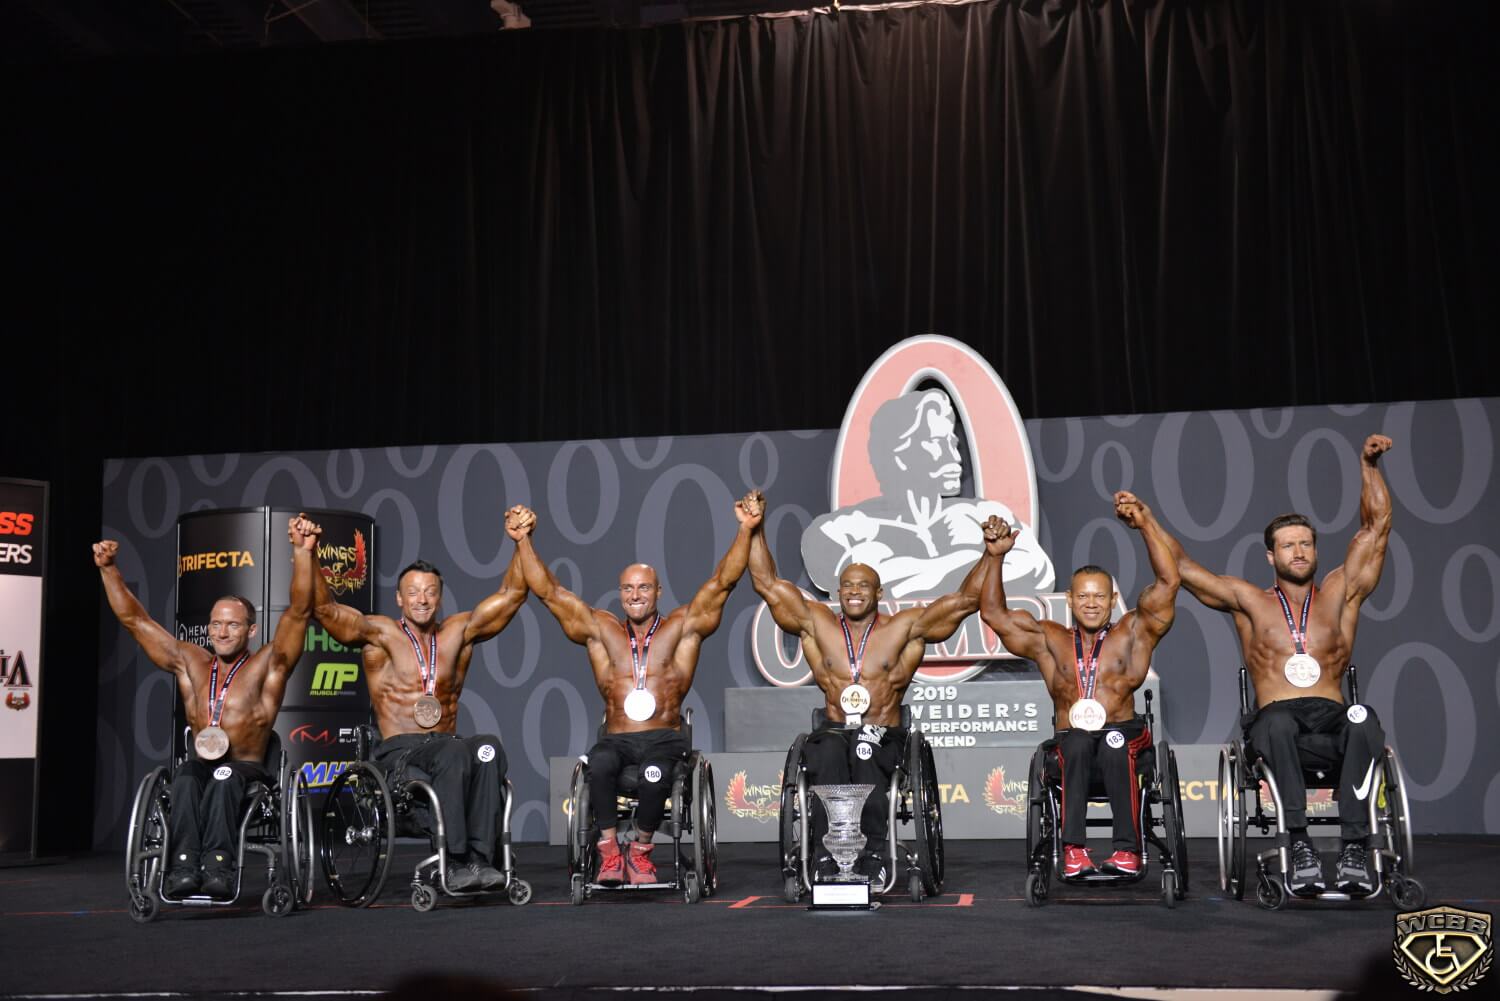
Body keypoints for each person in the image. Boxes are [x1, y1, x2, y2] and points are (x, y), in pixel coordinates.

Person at [1163, 433, 1395, 895]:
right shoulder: (1249, 601)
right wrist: (1147, 521)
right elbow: (1183, 568)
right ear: (1271, 555)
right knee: (1280, 722)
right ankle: (1299, 844)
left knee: (1364, 718)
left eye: (1306, 543)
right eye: (1288, 545)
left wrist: (1369, 467)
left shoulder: (1342, 593)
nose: (1299, 552)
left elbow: (1377, 529)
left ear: (1316, 550)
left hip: (1332, 720)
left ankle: (1354, 848)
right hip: (1276, 720)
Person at [751, 491, 998, 883]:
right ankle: (826, 856)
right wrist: (754, 528)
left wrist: (991, 555)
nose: (854, 591)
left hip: (884, 732)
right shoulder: (817, 624)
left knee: (864, 747)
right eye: (848, 585)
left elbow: (965, 601)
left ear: (879, 593)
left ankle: (872, 855)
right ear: (837, 591)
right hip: (834, 727)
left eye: (864, 585)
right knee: (828, 750)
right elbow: (766, 583)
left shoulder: (904, 628)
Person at [513, 494, 759, 886]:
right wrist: (523, 540)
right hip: (617, 737)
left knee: (654, 773)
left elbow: (722, 583)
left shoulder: (681, 628)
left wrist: (745, 530)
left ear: (658, 591)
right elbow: (550, 593)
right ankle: (610, 851)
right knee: (599, 765)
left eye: (644, 587)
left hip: (664, 737)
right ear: (620, 593)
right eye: (627, 588)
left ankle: (641, 852)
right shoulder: (602, 630)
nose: (635, 595)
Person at [94, 514, 319, 899]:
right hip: (201, 764)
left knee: (224, 778)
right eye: (216, 625)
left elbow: (298, 611)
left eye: (232, 625)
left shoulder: (268, 665)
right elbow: (136, 621)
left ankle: (218, 867)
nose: (222, 632)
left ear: (251, 630)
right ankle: (182, 867)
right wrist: (109, 569)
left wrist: (301, 552)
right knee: (183, 777)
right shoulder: (191, 663)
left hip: (246, 768)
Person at [310, 508, 531, 892]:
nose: (422, 600)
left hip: (446, 746)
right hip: (400, 753)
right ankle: (454, 861)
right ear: (399, 598)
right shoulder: (379, 635)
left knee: (487, 749)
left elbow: (512, 595)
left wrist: (521, 540)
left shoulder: (459, 632)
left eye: (430, 592)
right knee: (454, 751)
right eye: (412, 592)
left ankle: (480, 860)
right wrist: (308, 554)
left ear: (440, 598)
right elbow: (324, 610)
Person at [980, 495, 1180, 878]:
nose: (1091, 603)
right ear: (1070, 600)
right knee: (1076, 742)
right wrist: (994, 557)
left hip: (1123, 733)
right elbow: (993, 613)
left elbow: (1169, 582)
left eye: (1099, 596)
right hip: (1071, 739)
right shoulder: (1049, 639)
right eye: (1083, 596)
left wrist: (1145, 525)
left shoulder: (1132, 633)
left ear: (1113, 599)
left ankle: (1127, 851)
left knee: (1113, 744)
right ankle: (1073, 850)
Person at [801, 388, 1053, 598]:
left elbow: (1038, 572)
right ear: (899, 455)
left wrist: (915, 572)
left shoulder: (985, 515)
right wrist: (978, 561)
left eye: (952, 443)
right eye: (936, 442)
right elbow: (853, 590)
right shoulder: (841, 528)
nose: (954, 456)